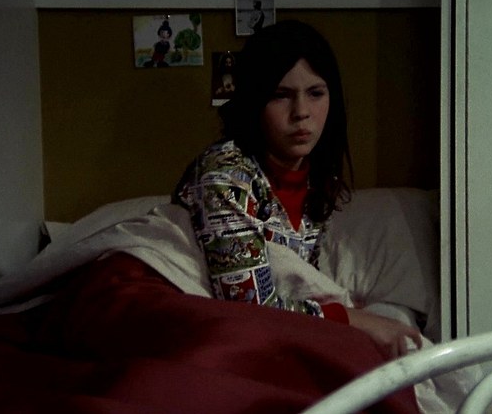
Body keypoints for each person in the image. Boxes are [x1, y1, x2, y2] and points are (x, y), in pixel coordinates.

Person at [172, 20, 422, 358]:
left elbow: (294, 281)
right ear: (255, 101)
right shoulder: (226, 173)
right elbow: (249, 309)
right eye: (281, 96)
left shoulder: (314, 177)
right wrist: (356, 319)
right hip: (161, 306)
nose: (301, 113)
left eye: (316, 93)